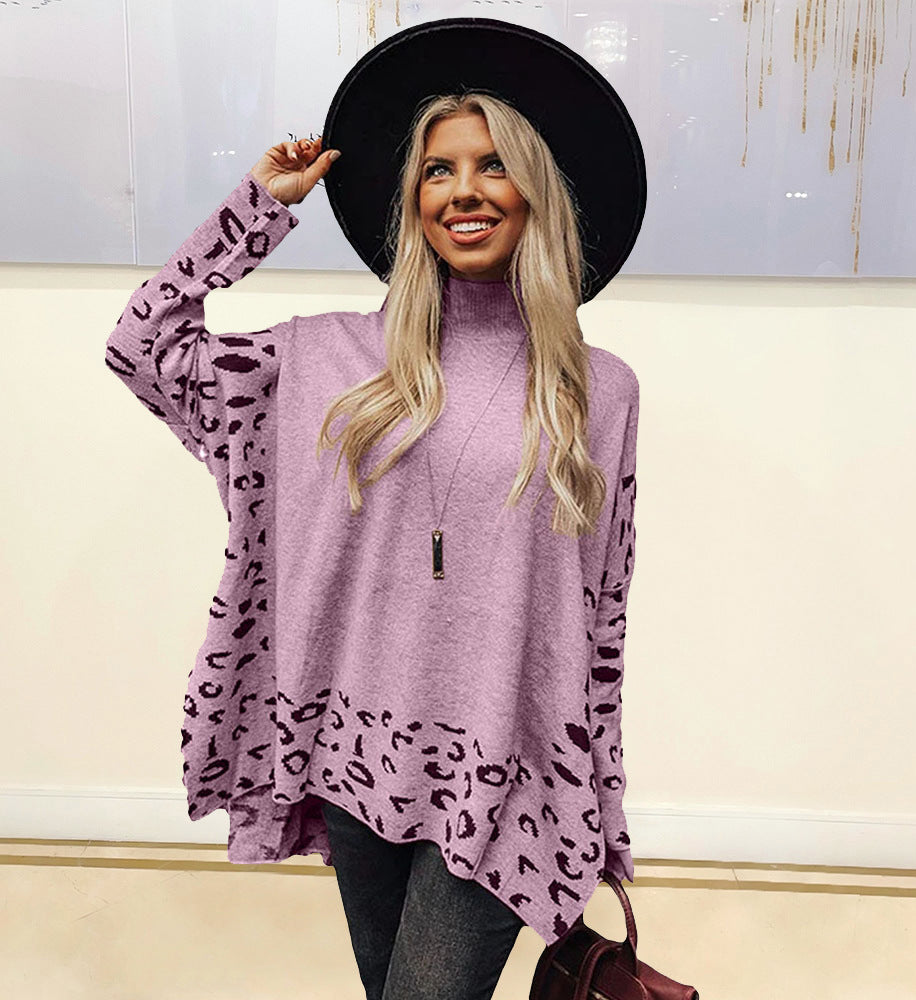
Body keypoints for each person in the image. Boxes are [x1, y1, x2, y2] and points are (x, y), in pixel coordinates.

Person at [105, 19, 645, 1000]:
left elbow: (600, 612)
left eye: (492, 165)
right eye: (439, 171)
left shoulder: (597, 389)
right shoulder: (321, 360)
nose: (464, 190)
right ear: (413, 201)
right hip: (353, 751)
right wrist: (255, 209)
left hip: (505, 771)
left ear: (534, 192)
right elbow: (143, 344)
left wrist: (597, 803)